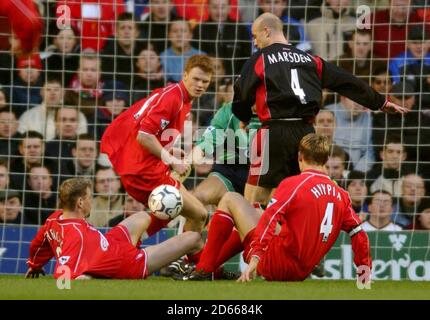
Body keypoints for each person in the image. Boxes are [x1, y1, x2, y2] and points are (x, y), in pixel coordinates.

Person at [232, 12, 408, 205]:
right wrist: (380, 102)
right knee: (297, 198)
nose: (255, 43)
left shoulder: (260, 58)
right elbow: (347, 81)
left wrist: (245, 117)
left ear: (266, 31)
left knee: (253, 200)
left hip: (272, 132)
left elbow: (241, 93)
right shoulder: (312, 60)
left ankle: (257, 235)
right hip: (307, 135)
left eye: (255, 36)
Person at [181, 133, 371, 282]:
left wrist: (255, 258)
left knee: (231, 198)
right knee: (255, 210)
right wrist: (364, 274)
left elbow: (270, 220)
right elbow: (359, 234)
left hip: (275, 263)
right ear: (326, 159)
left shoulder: (294, 184)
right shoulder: (341, 195)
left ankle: (204, 268)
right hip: (301, 272)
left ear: (300, 157)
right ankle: (211, 267)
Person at [101, 55, 213, 240]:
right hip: (144, 171)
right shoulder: (173, 99)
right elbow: (144, 136)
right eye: (196, 79)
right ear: (185, 75)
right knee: (197, 214)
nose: (200, 84)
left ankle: (126, 245)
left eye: (205, 81)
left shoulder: (177, 97)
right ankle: (122, 244)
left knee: (173, 210)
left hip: (143, 166)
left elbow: (147, 133)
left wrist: (168, 151)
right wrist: (172, 162)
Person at [25, 178, 203, 279]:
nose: (91, 202)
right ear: (80, 202)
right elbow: (65, 273)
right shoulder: (76, 235)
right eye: (89, 197)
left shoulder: (54, 218)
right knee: (193, 238)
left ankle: (166, 258)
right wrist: (83, 278)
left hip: (111, 243)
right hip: (128, 262)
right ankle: (207, 272)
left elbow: (38, 245)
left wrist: (35, 265)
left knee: (141, 217)